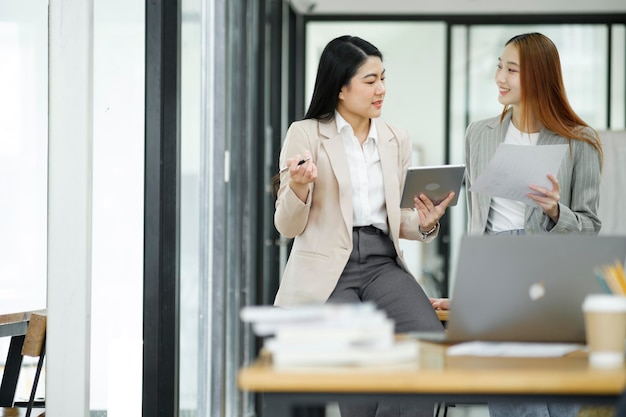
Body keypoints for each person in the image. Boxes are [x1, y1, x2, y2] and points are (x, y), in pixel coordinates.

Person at [273, 35, 455, 417]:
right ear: (340, 87)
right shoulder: (305, 133)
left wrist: (424, 224)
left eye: (383, 79)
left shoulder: (394, 138)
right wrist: (300, 188)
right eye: (370, 81)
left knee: (426, 346)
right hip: (327, 268)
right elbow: (287, 226)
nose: (381, 90)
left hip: (381, 262)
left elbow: (396, 218)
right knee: (359, 362)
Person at [430, 32, 603, 417]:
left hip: (553, 274)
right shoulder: (480, 134)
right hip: (497, 272)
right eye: (499, 67)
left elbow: (591, 229)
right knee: (513, 397)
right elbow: (479, 223)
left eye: (512, 70)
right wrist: (473, 293)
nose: (500, 78)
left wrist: (557, 212)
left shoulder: (579, 141)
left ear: (539, 77)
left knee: (559, 396)